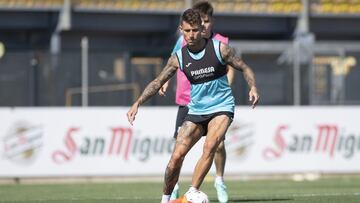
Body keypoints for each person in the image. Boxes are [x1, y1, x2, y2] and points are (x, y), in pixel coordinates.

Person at [127, 8, 259, 203]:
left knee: (211, 145)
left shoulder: (219, 48)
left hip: (222, 106)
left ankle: (193, 191)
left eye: (195, 30)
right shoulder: (178, 58)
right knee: (176, 157)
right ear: (181, 29)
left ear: (202, 28)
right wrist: (137, 102)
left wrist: (253, 87)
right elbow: (157, 82)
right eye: (187, 31)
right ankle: (165, 200)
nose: (191, 35)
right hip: (196, 109)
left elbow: (244, 67)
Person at [158, 1, 234, 202]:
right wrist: (165, 82)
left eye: (206, 22)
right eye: (201, 22)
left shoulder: (219, 41)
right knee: (179, 148)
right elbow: (173, 61)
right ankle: (173, 190)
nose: (204, 26)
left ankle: (219, 179)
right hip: (186, 100)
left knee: (216, 145)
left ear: (209, 22)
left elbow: (231, 67)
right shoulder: (184, 40)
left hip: (215, 103)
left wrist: (225, 90)